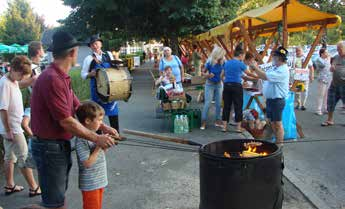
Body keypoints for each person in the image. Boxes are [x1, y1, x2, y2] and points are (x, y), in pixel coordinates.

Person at [30, 31, 118, 209]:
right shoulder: (52, 79)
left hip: (56, 146)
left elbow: (78, 108)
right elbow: (66, 121)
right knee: (54, 204)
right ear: (72, 53)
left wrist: (102, 126)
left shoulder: (61, 76)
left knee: (57, 200)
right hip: (49, 148)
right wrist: (97, 139)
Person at [0, 56, 41, 197]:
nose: (22, 78)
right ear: (13, 69)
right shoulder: (5, 83)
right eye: (21, 75)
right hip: (13, 128)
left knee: (10, 157)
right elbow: (3, 109)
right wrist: (8, 130)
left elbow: (21, 84)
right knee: (24, 157)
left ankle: (9, 185)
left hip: (12, 127)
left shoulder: (12, 80)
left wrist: (32, 80)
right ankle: (34, 187)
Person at [250, 46, 290, 145]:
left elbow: (264, 76)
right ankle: (274, 141)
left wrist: (255, 68)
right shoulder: (275, 67)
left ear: (279, 58)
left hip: (277, 100)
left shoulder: (282, 70)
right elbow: (262, 75)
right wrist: (256, 70)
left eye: (274, 56)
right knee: (271, 122)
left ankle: (279, 144)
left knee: (277, 123)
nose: (272, 57)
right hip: (271, 100)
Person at [81, 35, 120, 133]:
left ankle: (115, 134)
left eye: (97, 43)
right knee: (96, 113)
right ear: (90, 46)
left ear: (101, 44)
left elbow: (113, 67)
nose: (95, 45)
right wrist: (90, 74)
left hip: (110, 87)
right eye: (92, 44)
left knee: (113, 112)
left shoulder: (108, 54)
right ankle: (99, 136)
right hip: (97, 89)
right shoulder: (88, 59)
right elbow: (83, 74)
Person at [75, 101, 110, 209]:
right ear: (88, 121)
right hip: (90, 183)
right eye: (99, 120)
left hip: (99, 180)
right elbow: (87, 163)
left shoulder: (96, 135)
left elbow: (101, 153)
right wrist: (99, 146)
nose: (101, 123)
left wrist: (105, 146)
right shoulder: (81, 139)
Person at [221, 45, 251, 133]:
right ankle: (238, 128)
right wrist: (257, 76)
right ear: (240, 55)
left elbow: (221, 76)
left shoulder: (227, 63)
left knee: (226, 106)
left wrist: (225, 82)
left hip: (227, 85)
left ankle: (224, 127)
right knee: (238, 106)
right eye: (243, 56)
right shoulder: (241, 64)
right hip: (237, 86)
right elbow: (248, 74)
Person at [21, 41, 45, 137]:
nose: (44, 51)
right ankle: (35, 140)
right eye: (42, 48)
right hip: (36, 101)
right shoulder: (30, 67)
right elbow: (20, 83)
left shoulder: (38, 65)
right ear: (38, 51)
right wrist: (32, 80)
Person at [200, 46, 225, 130]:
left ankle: (218, 121)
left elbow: (225, 73)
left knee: (218, 103)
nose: (222, 56)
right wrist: (207, 75)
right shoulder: (210, 62)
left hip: (219, 84)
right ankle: (203, 121)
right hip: (210, 84)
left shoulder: (224, 62)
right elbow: (202, 73)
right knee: (208, 103)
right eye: (221, 55)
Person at [322, 41, 345, 126]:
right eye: (338, 49)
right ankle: (329, 120)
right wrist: (332, 67)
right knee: (330, 101)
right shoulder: (336, 57)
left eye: (340, 49)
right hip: (335, 83)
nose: (339, 51)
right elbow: (332, 66)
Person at [293, 46, 314, 110]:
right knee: (297, 91)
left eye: (299, 50)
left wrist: (311, 75)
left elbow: (311, 67)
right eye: (296, 51)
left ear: (302, 51)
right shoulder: (294, 58)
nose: (298, 52)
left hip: (305, 76)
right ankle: (298, 103)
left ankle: (303, 104)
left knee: (305, 90)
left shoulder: (306, 58)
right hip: (297, 77)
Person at [314, 48, 332, 115]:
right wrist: (328, 59)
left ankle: (326, 108)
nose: (327, 54)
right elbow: (322, 66)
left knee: (327, 94)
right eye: (326, 53)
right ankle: (318, 109)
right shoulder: (319, 60)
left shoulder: (327, 59)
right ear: (322, 54)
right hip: (322, 79)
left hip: (328, 78)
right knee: (321, 95)